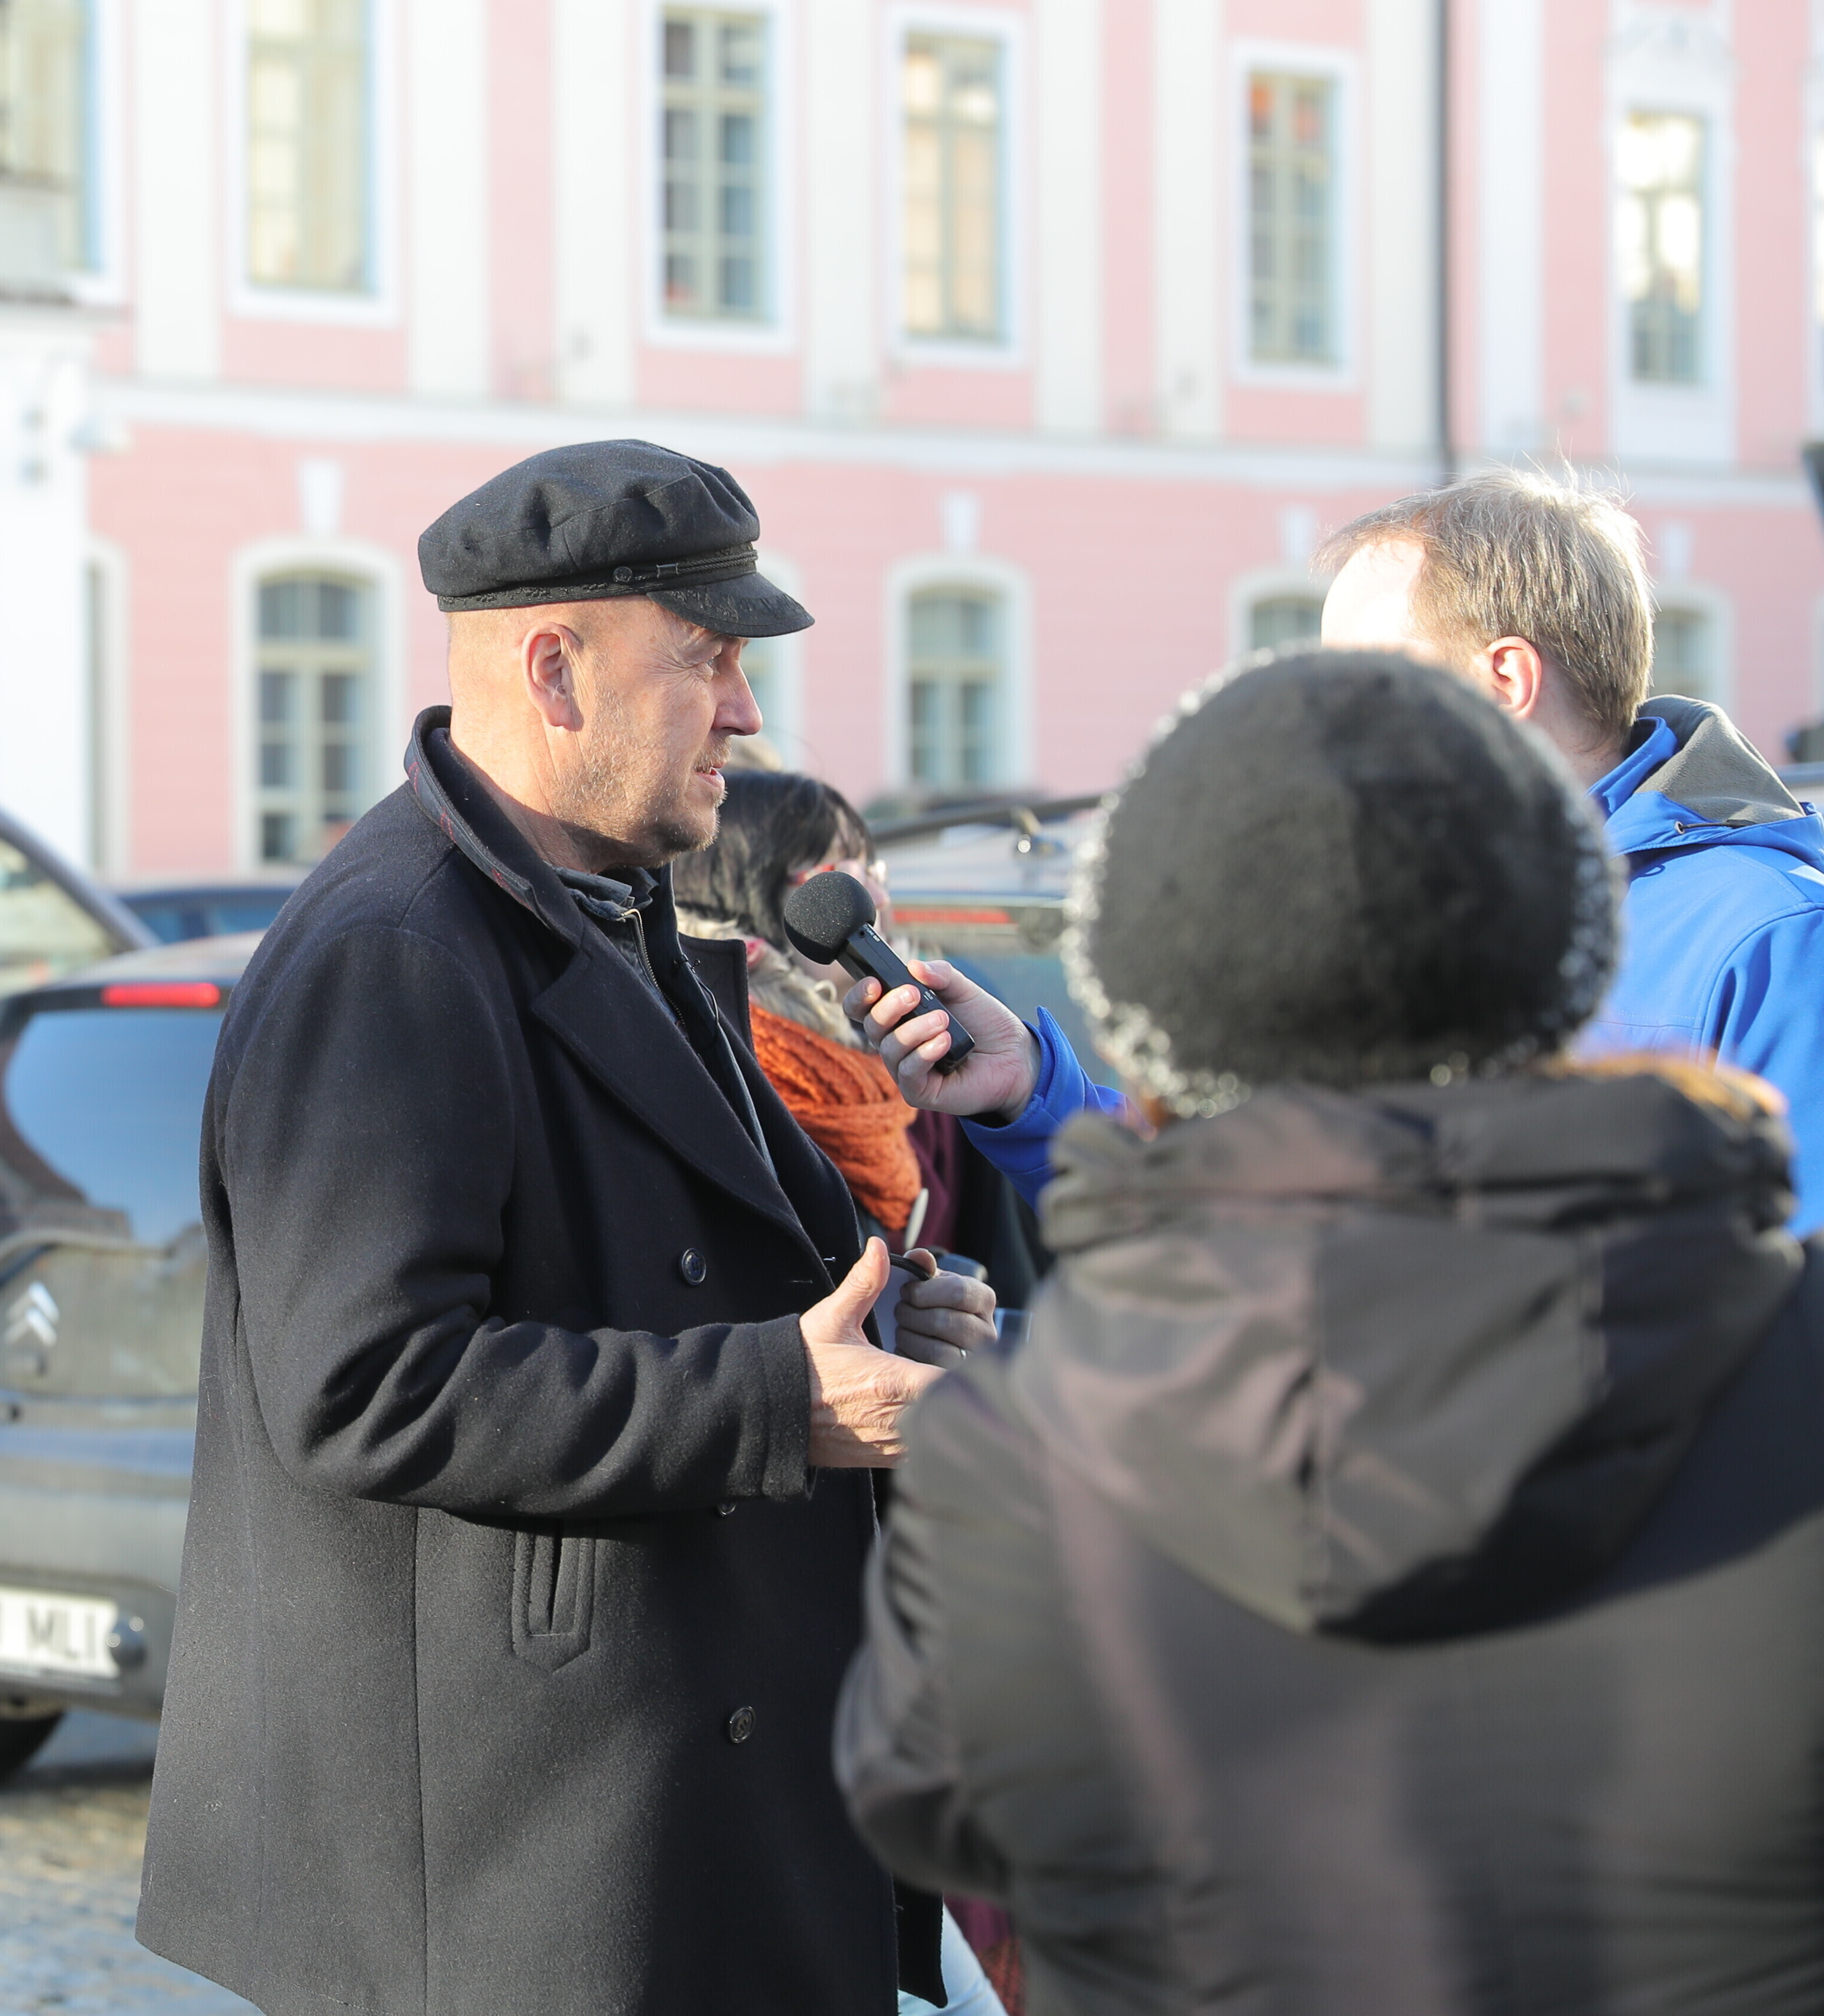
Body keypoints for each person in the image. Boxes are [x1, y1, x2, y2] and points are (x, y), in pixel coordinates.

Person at [137, 441, 998, 2016]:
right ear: (555, 672)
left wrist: (886, 1317)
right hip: (524, 1879)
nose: (746, 711)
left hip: (675, 1824)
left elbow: (668, 1266)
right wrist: (782, 1399)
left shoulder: (603, 903)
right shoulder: (396, 946)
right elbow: (364, 1384)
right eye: (708, 660)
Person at [835, 647, 1824, 2013]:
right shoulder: (1779, 1342)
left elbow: (925, 1795)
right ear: (1567, 956)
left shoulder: (1037, 1436)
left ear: (1162, 1009)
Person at [858, 469, 1824, 1237]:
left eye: (1361, 680)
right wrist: (1031, 1091)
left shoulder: (1771, 935)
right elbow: (1252, 1211)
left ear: (1504, 680)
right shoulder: (1402, 905)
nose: (1328, 726)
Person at [672, 769, 1042, 1310]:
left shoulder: (927, 1066)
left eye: (875, 871)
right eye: (844, 875)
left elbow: (1016, 1278)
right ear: (740, 887)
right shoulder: (708, 1077)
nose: (879, 900)